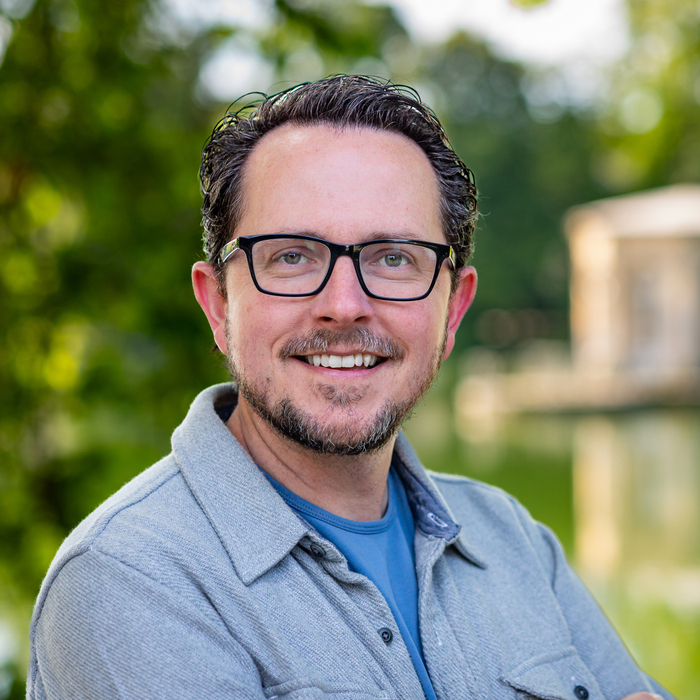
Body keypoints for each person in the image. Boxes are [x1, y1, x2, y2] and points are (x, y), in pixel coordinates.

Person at [27, 75, 672, 700]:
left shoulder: (510, 536)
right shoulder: (127, 577)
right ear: (219, 305)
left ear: (452, 311)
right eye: (291, 255)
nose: (343, 305)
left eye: (393, 258)